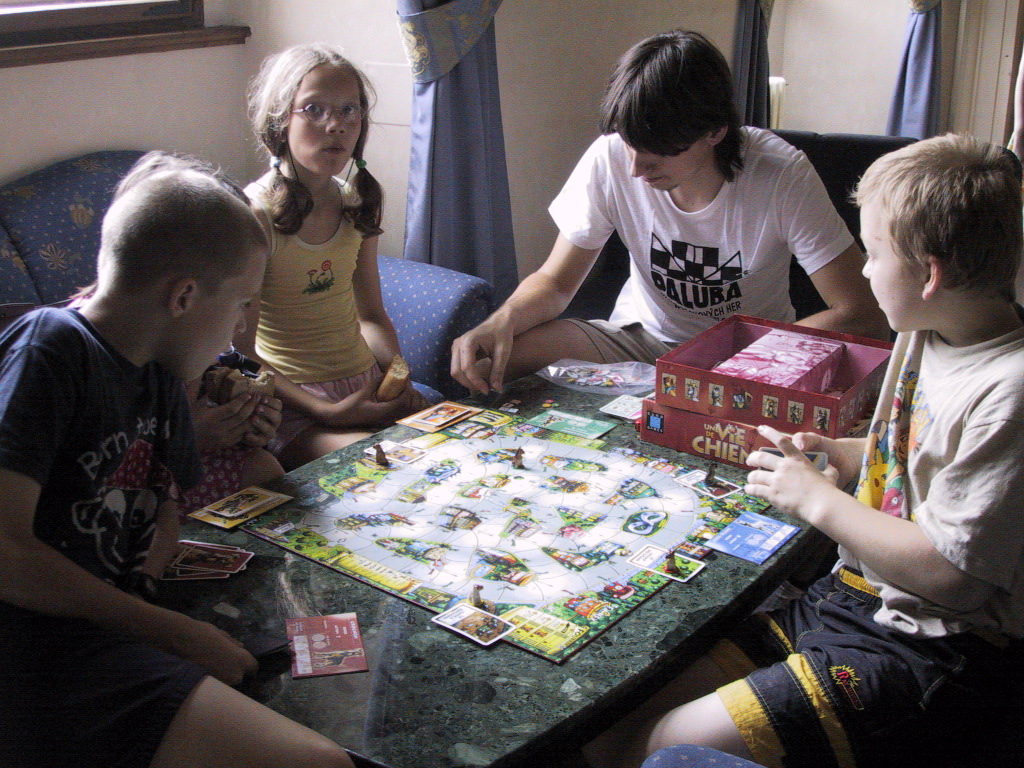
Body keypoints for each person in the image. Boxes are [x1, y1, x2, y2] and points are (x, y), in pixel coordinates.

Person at [589, 133, 1024, 768]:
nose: (864, 271)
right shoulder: (929, 329)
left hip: (933, 650)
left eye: (874, 254)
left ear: (930, 275)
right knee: (611, 727)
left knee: (663, 744)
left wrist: (818, 500)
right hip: (849, 598)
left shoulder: (1008, 393)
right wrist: (843, 454)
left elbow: (952, 575)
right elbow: (913, 457)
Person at [0, 152, 353, 768]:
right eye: (241, 303)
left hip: (113, 628)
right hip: (34, 651)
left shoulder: (160, 375)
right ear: (185, 296)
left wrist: (151, 592)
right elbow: (7, 555)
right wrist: (169, 630)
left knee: (315, 686)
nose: (241, 326)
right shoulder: (52, 347)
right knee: (320, 760)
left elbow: (162, 506)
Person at [451, 30, 888, 394]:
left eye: (658, 152)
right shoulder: (610, 158)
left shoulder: (781, 174)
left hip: (750, 355)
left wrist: (746, 364)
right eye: (629, 145)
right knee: (500, 358)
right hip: (640, 340)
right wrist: (502, 320)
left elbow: (859, 310)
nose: (636, 169)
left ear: (715, 132)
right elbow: (557, 282)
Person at [242, 43, 430, 470]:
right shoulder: (255, 215)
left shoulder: (357, 203)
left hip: (362, 384)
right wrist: (327, 412)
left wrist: (396, 375)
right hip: (295, 404)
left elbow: (371, 316)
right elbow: (244, 352)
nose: (336, 126)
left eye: (350, 111)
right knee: (380, 469)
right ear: (279, 121)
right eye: (314, 110)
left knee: (454, 448)